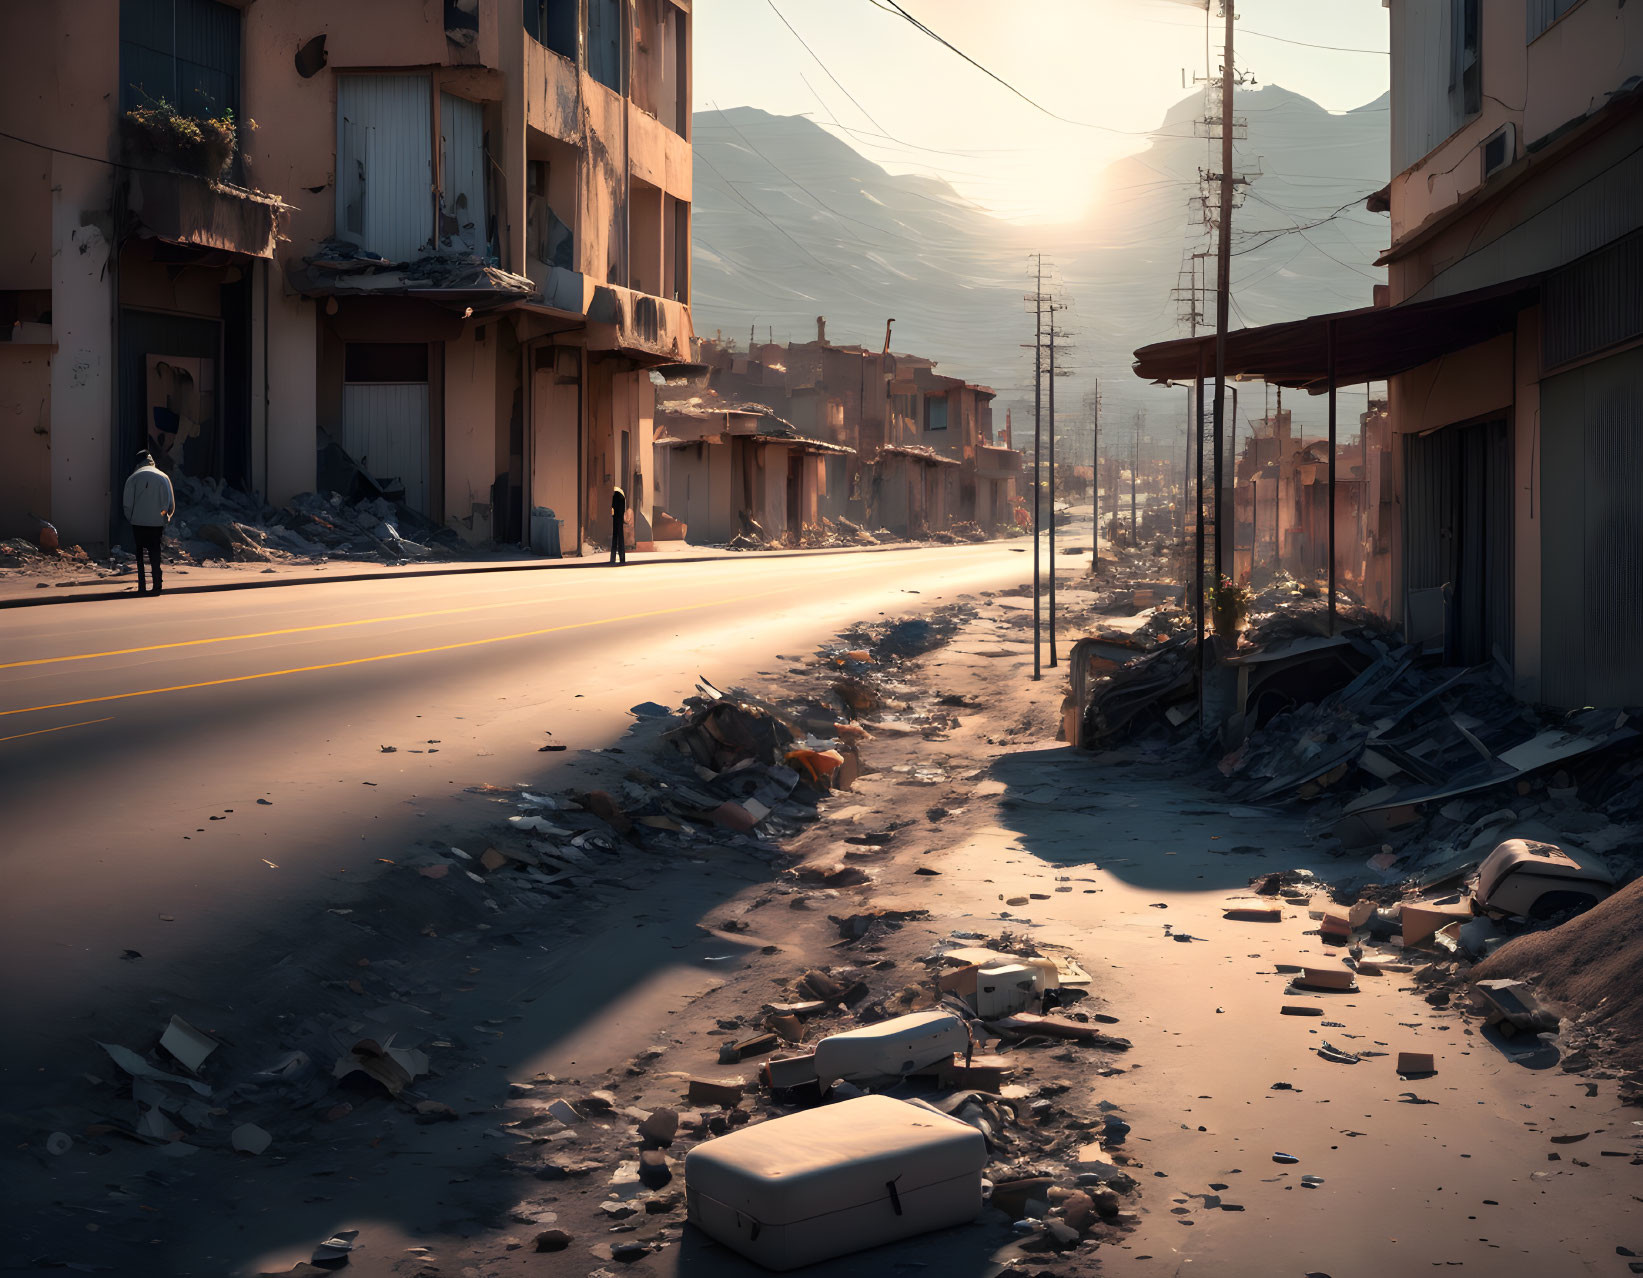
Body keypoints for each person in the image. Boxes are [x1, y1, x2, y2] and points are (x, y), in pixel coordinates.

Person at [122, 450, 175, 595]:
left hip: (138, 523)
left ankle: (142, 586)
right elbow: (169, 505)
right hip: (156, 524)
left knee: (139, 555)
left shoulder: (133, 478)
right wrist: (164, 516)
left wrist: (132, 518)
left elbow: (127, 504)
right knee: (155, 554)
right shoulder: (163, 477)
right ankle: (157, 585)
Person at [609, 485, 627, 565]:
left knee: (615, 538)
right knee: (621, 538)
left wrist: (613, 516)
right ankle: (622, 558)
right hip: (620, 519)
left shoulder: (615, 497)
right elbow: (622, 510)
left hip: (616, 519)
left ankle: (613, 558)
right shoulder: (622, 497)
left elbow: (613, 509)